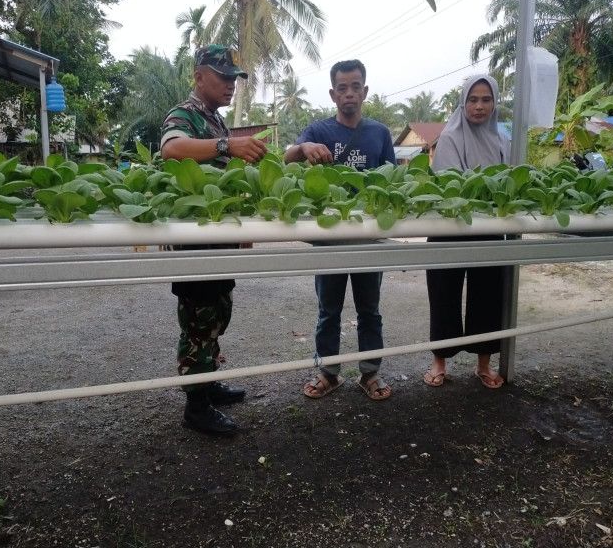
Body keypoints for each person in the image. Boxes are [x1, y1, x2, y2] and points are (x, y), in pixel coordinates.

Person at [160, 44, 267, 434]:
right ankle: (196, 407)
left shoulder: (217, 121)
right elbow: (171, 150)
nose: (230, 85)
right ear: (199, 76)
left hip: (218, 239)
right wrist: (226, 145)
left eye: (234, 79)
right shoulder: (184, 115)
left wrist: (244, 229)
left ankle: (207, 383)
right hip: (194, 243)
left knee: (219, 313)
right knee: (199, 321)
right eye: (223, 77)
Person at [284, 59, 396, 401]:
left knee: (369, 311)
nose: (350, 93)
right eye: (343, 88)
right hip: (329, 238)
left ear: (365, 91)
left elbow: (395, 181)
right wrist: (303, 148)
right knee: (328, 311)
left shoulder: (380, 133)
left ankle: (370, 373)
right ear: (333, 94)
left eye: (356, 86)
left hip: (367, 238)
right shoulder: (318, 131)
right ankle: (328, 373)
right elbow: (286, 157)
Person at [422, 73, 511, 390]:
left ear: (494, 103)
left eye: (486, 99)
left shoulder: (502, 140)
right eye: (473, 99)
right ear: (463, 102)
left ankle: (483, 364)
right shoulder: (450, 137)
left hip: (488, 230)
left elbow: (507, 183)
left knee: (487, 295)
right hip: (449, 227)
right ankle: (439, 361)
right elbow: (449, 187)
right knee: (444, 294)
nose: (479, 106)